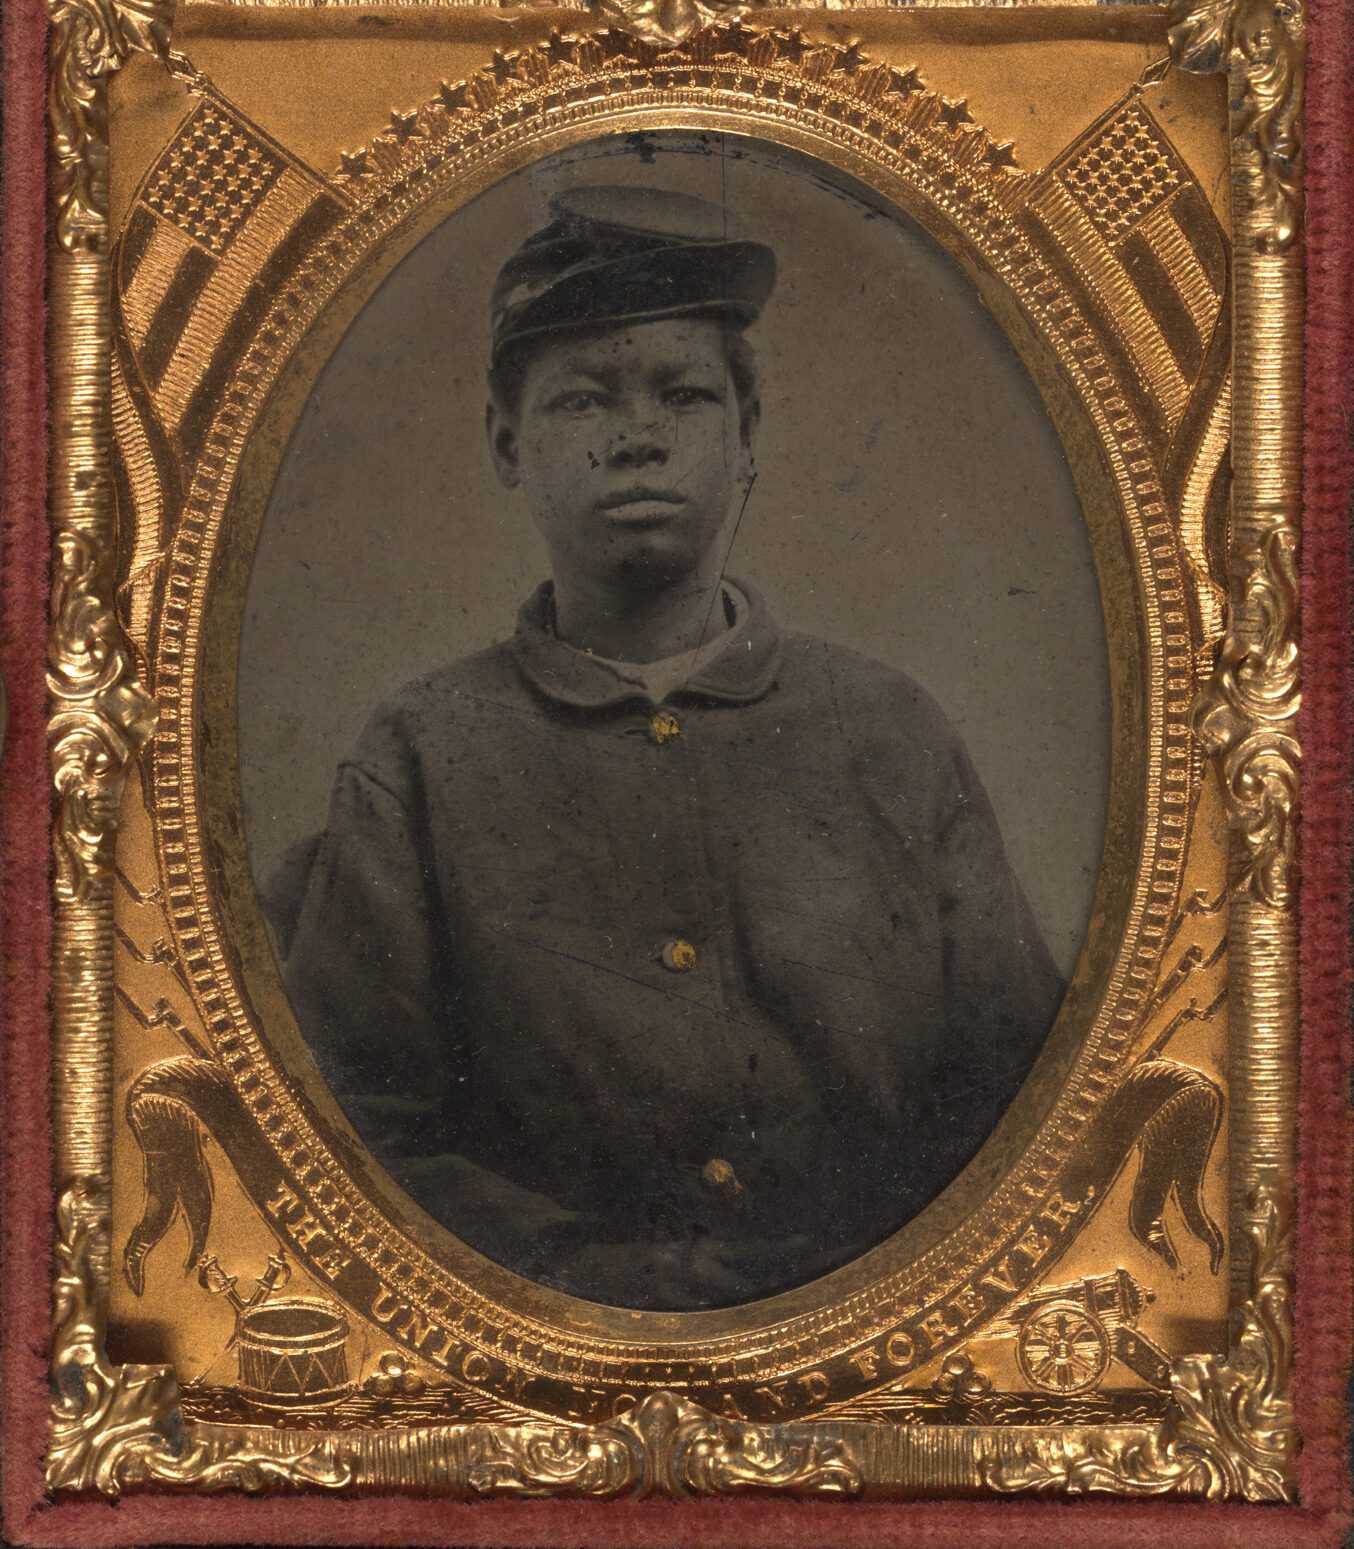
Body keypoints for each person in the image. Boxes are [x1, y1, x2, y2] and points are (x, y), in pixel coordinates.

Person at [278, 185, 1063, 1311]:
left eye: (686, 396)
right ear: (508, 444)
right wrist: (587, 1278)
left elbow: (1016, 1090)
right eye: (582, 399)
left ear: (748, 437)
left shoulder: (889, 729)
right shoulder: (420, 754)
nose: (638, 436)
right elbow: (354, 1125)